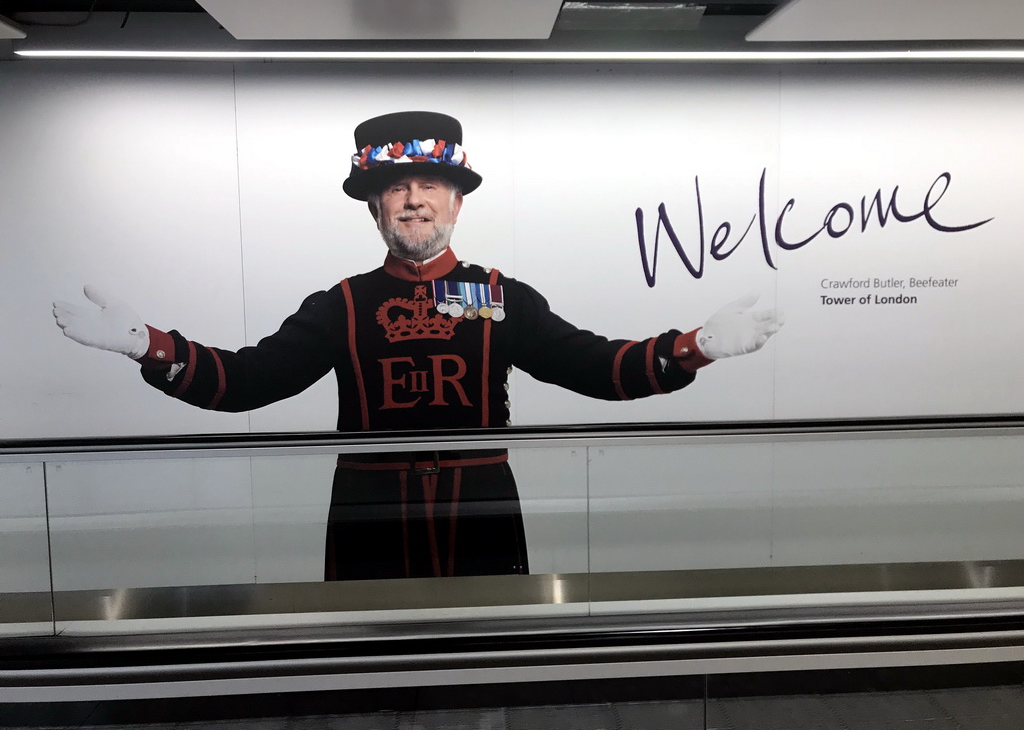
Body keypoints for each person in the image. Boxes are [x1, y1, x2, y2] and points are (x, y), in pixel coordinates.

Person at [53, 111, 783, 581]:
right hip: (372, 510)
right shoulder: (341, 304)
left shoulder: (500, 295)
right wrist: (144, 344)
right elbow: (248, 380)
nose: (413, 199)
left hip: (482, 506)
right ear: (374, 208)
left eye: (430, 183)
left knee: (486, 663)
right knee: (378, 667)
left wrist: (695, 347)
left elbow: (593, 366)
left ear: (457, 202)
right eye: (396, 187)